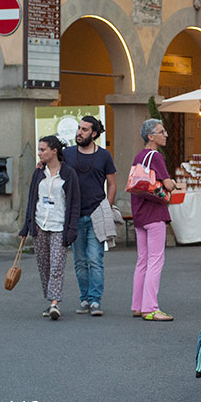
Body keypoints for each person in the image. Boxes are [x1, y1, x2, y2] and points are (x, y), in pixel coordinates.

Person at [20, 135, 80, 320]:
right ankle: (50, 300)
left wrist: (71, 229)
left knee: (56, 266)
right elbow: (32, 200)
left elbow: (74, 203)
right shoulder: (39, 173)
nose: (39, 153)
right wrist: (26, 228)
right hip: (40, 225)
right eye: (39, 149)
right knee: (44, 265)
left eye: (43, 149)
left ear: (54, 151)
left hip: (59, 226)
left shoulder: (69, 174)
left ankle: (55, 303)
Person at [63, 115, 116, 317]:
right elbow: (53, 168)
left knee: (95, 258)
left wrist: (107, 207)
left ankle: (95, 300)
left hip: (96, 212)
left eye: (85, 129)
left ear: (94, 133)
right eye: (79, 128)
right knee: (79, 260)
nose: (79, 132)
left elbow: (112, 184)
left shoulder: (104, 156)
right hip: (74, 213)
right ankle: (84, 298)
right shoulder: (66, 153)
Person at [130, 119, 177, 321]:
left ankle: (138, 305)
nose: (165, 134)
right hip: (155, 214)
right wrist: (173, 182)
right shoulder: (156, 156)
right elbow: (168, 184)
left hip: (140, 213)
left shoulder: (139, 156)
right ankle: (151, 308)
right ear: (151, 136)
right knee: (156, 260)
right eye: (161, 131)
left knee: (142, 261)